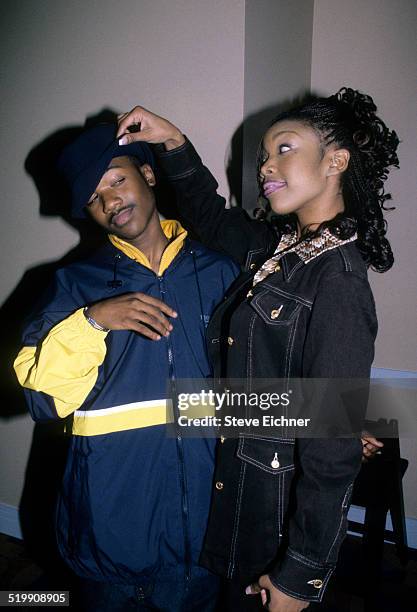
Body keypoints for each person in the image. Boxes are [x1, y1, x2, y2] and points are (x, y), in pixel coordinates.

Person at [115, 88, 398, 611]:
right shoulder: (281, 250)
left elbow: (330, 449)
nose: (266, 166)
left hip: (271, 511)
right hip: (241, 477)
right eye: (264, 155)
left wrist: (300, 577)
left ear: (336, 160)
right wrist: (172, 143)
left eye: (284, 149)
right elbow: (208, 215)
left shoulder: (336, 279)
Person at [14, 123, 239, 611]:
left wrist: (342, 424)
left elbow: (261, 379)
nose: (110, 201)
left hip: (203, 533)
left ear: (147, 174)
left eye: (115, 180)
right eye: (94, 198)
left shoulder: (222, 270)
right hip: (110, 532)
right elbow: (43, 399)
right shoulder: (74, 285)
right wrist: (93, 322)